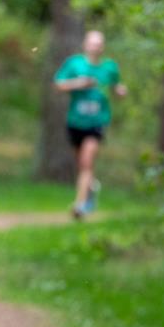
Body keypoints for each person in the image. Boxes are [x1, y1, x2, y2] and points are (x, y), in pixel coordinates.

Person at [53, 30, 127, 219]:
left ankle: (79, 205)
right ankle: (90, 189)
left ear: (102, 47)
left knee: (87, 162)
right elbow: (58, 84)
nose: (95, 47)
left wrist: (120, 91)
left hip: (97, 122)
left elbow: (116, 85)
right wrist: (79, 84)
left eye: (99, 43)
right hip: (76, 122)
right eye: (92, 43)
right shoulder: (74, 64)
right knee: (82, 164)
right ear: (85, 45)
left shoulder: (109, 67)